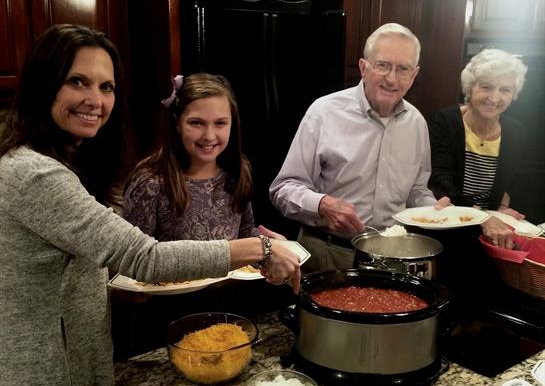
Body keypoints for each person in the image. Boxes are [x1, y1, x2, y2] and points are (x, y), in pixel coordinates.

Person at [0, 24, 300, 386]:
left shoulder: (52, 164)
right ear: (44, 84)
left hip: (59, 380)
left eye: (106, 87)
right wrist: (256, 249)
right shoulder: (35, 174)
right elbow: (146, 258)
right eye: (77, 82)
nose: (95, 100)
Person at [269, 23, 449, 272]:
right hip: (327, 254)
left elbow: (416, 191)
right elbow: (283, 189)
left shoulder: (417, 123)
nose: (392, 78)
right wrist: (323, 204)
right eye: (383, 65)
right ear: (364, 67)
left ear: (414, 75)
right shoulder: (324, 112)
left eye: (403, 69)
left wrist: (435, 211)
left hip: (392, 257)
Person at [123, 72, 283, 242]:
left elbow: (243, 235)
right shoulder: (151, 183)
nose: (209, 136)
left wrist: (270, 244)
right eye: (196, 123)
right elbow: (132, 253)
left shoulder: (236, 172)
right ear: (177, 123)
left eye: (220, 123)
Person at [428, 48, 528, 250]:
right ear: (470, 88)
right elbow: (440, 182)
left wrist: (503, 210)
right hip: (449, 225)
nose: (494, 97)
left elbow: (508, 186)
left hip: (490, 229)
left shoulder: (516, 132)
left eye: (505, 90)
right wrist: (482, 217)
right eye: (486, 87)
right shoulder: (445, 121)